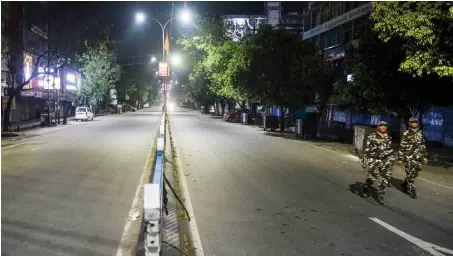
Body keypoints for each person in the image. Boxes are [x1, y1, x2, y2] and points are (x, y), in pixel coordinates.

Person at [361, 121, 395, 205]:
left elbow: (390, 150)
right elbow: (367, 149)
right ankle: (366, 187)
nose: (383, 127)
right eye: (381, 126)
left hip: (386, 161)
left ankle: (380, 194)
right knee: (372, 177)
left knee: (385, 178)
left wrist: (391, 160)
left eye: (385, 126)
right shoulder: (372, 137)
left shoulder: (388, 138)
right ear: (378, 127)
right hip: (375, 160)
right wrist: (365, 161)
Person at [397, 117, 428, 199]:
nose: (414, 123)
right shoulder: (406, 133)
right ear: (409, 123)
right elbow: (402, 146)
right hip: (409, 157)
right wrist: (400, 158)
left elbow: (423, 145)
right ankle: (411, 190)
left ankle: (405, 183)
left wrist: (425, 156)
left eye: (415, 122)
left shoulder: (420, 132)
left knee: (416, 173)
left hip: (419, 157)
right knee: (410, 174)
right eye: (412, 122)